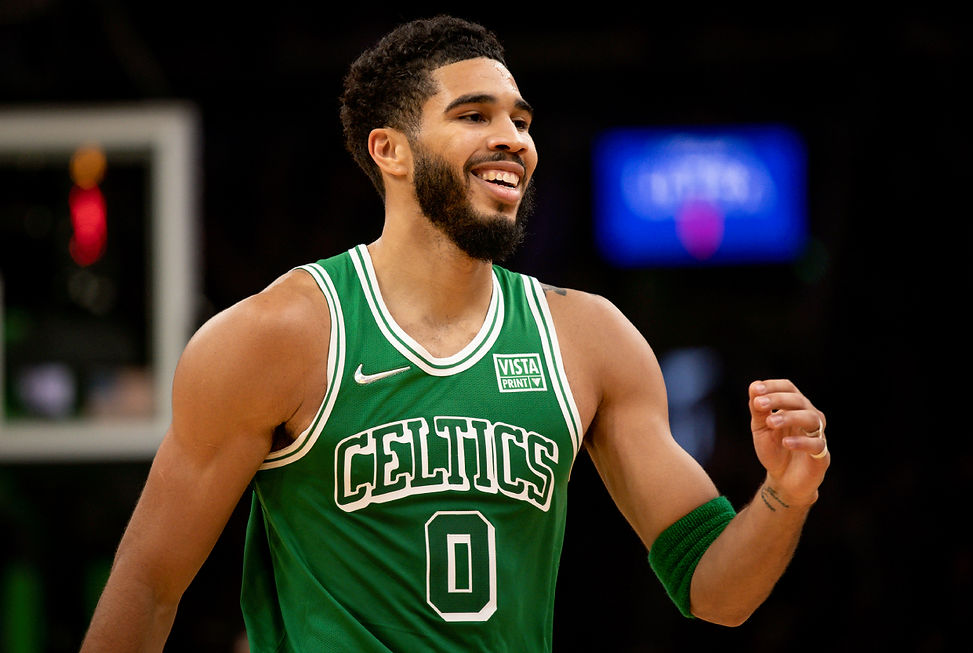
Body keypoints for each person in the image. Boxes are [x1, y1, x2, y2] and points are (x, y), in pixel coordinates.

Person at [80, 15, 829, 652]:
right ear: (391, 150)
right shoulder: (279, 334)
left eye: (520, 121)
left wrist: (784, 495)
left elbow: (715, 590)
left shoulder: (588, 338)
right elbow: (147, 586)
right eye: (475, 116)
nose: (513, 139)